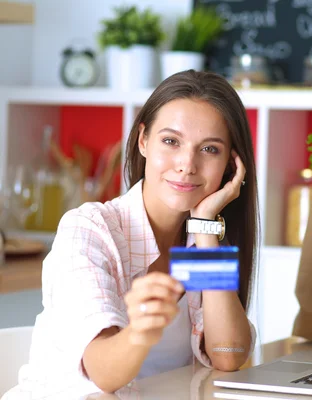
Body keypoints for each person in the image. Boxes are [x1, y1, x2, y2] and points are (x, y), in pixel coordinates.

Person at [3, 71, 259, 399]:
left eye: (209, 149)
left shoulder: (200, 243)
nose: (187, 164)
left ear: (229, 165)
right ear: (143, 141)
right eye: (171, 141)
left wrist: (206, 227)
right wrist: (140, 331)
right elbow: (103, 374)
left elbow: (227, 356)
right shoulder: (88, 231)